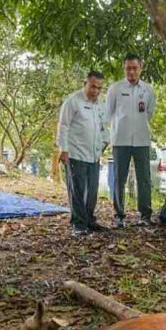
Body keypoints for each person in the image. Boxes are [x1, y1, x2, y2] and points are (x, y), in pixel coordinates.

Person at [107, 53, 157, 228]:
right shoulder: (115, 89)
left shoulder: (148, 90)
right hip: (120, 140)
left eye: (135, 68)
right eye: (128, 68)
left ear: (140, 68)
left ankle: (145, 215)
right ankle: (119, 216)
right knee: (119, 179)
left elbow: (149, 113)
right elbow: (108, 113)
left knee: (144, 179)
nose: (131, 72)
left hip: (142, 140)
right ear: (124, 68)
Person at [58, 71, 108, 236]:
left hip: (94, 155)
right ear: (85, 83)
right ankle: (78, 224)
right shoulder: (73, 101)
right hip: (75, 153)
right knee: (77, 191)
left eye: (99, 88)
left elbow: (102, 127)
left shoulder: (100, 105)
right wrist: (63, 149)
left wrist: (104, 143)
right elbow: (63, 126)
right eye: (93, 86)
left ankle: (89, 221)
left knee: (92, 191)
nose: (95, 91)